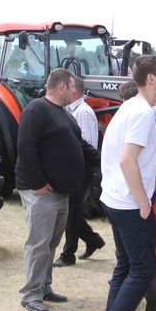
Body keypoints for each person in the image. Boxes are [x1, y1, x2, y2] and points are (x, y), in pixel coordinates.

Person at [95, 55, 156, 311]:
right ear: (150, 79)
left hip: (113, 197)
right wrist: (143, 201)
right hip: (129, 203)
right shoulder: (142, 113)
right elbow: (127, 160)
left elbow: (134, 155)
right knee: (142, 269)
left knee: (125, 266)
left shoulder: (133, 107)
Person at [16, 68, 99, 311]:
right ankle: (30, 295)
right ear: (62, 86)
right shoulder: (37, 109)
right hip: (41, 192)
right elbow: (26, 146)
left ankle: (44, 287)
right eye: (73, 86)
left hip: (61, 192)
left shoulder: (64, 114)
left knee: (51, 243)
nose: (76, 91)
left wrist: (106, 160)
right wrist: (38, 182)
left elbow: (81, 146)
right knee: (38, 244)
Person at [54, 76, 106, 267]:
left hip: (81, 168)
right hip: (74, 167)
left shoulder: (82, 113)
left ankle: (68, 254)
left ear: (74, 90)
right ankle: (93, 240)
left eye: (65, 87)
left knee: (71, 211)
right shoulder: (71, 111)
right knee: (72, 210)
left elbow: (88, 144)